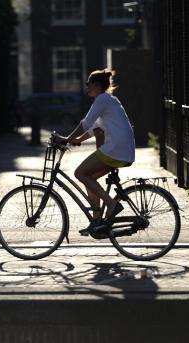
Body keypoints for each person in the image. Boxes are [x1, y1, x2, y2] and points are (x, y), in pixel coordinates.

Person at [54, 69, 135, 234]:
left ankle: (112, 205)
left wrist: (67, 138)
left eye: (88, 83)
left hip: (115, 148)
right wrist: (76, 140)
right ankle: (97, 221)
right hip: (120, 149)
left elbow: (85, 123)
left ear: (96, 84)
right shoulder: (107, 100)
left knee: (80, 173)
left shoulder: (102, 99)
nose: (86, 87)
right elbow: (93, 128)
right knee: (89, 178)